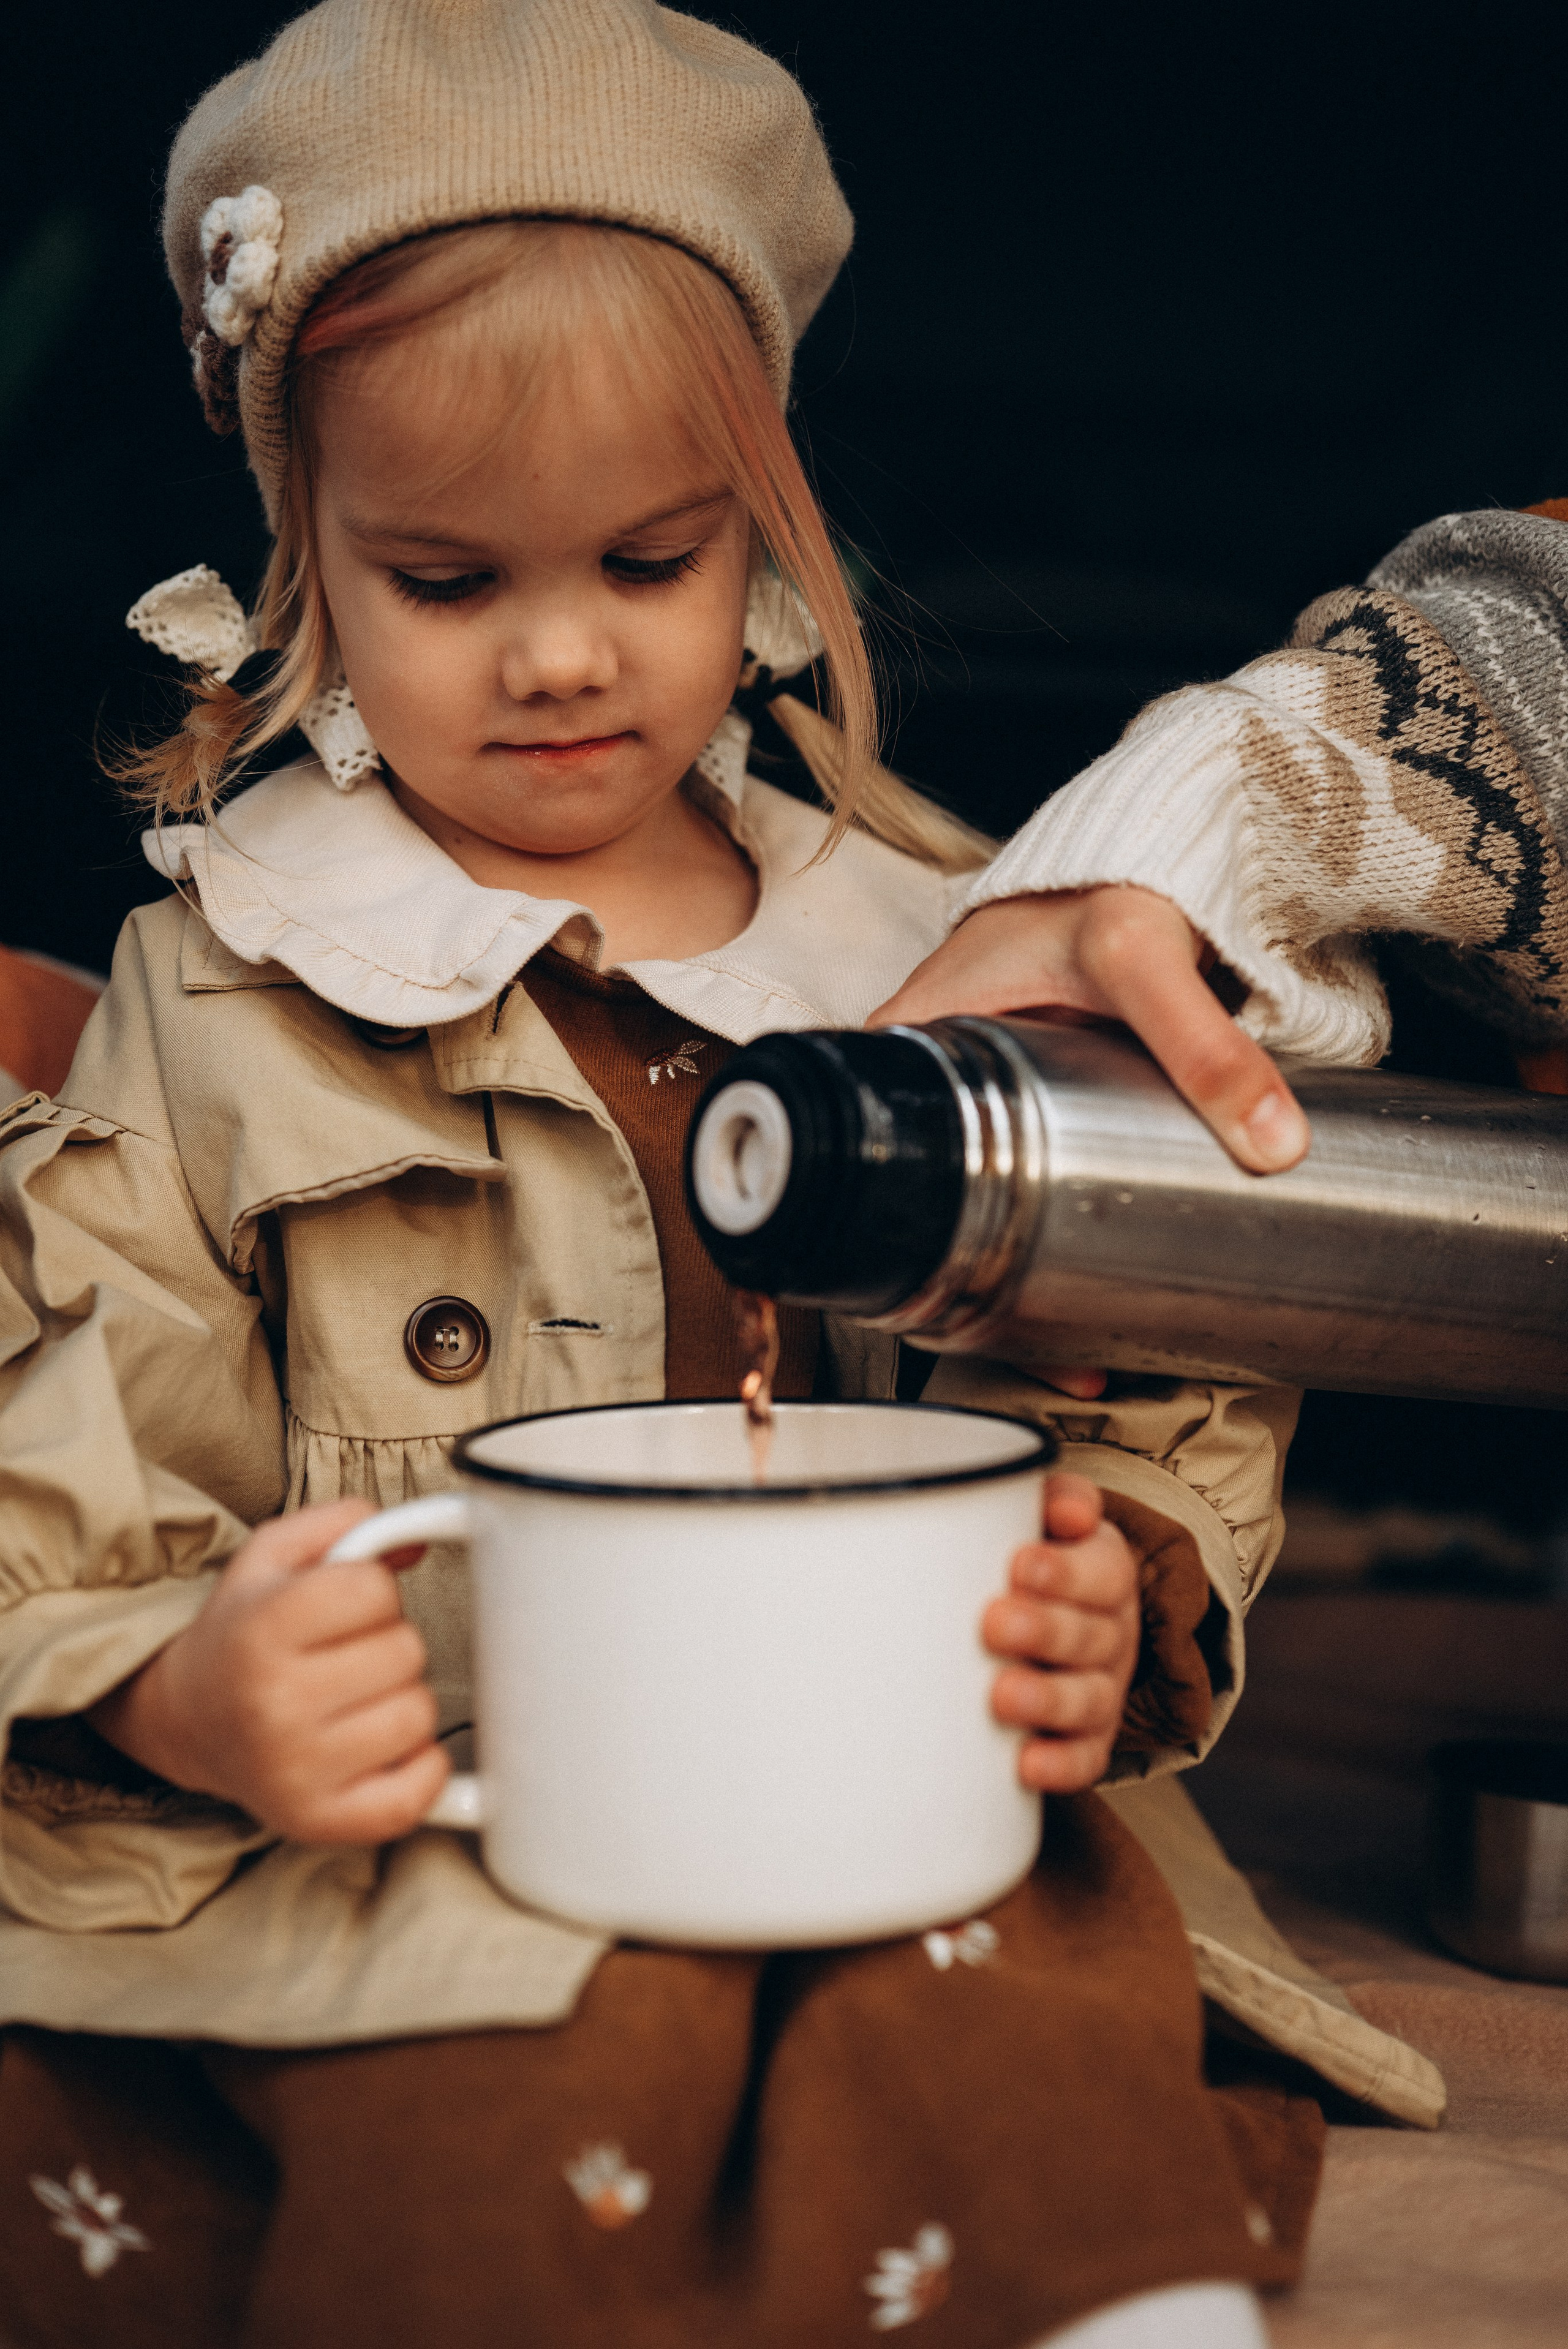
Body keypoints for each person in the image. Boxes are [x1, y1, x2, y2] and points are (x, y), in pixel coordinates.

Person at [0, 4, 1453, 2342]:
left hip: (905, 1796)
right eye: (450, 582)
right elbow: (61, 1457)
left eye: (651, 559)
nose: (564, 655)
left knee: (1012, 2004)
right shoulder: (227, 985)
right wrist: (183, 1683)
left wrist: (1125, 1585)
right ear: (307, 573)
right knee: (463, 2074)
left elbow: (1150, 1352)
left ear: (764, 531)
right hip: (440, 1812)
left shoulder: (942, 942)